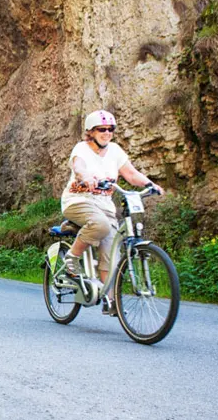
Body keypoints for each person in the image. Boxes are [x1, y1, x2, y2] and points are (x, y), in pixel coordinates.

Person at [60, 110, 164, 315]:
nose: (106, 133)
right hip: (78, 201)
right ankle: (71, 257)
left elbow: (131, 174)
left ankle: (109, 300)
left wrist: (150, 184)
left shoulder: (115, 151)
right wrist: (86, 176)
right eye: (101, 129)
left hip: (104, 206)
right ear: (91, 132)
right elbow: (79, 166)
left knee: (112, 249)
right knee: (101, 225)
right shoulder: (81, 148)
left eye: (110, 129)